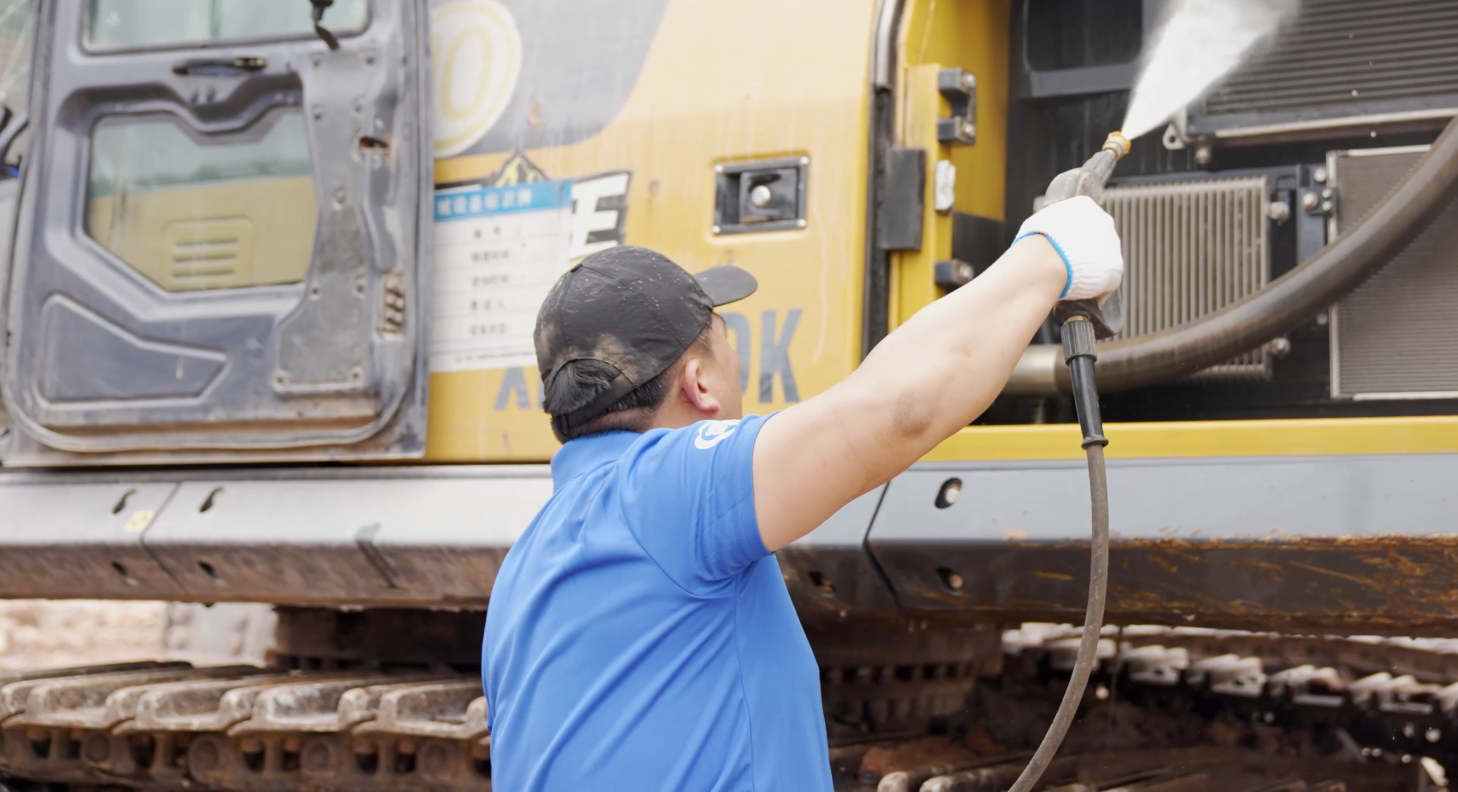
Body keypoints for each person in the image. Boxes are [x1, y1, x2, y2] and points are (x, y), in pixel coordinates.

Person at [481, 194, 1124, 790]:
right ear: (699, 384)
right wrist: (1050, 254)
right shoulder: (666, 488)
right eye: (728, 347)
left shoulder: (525, 568)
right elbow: (901, 409)